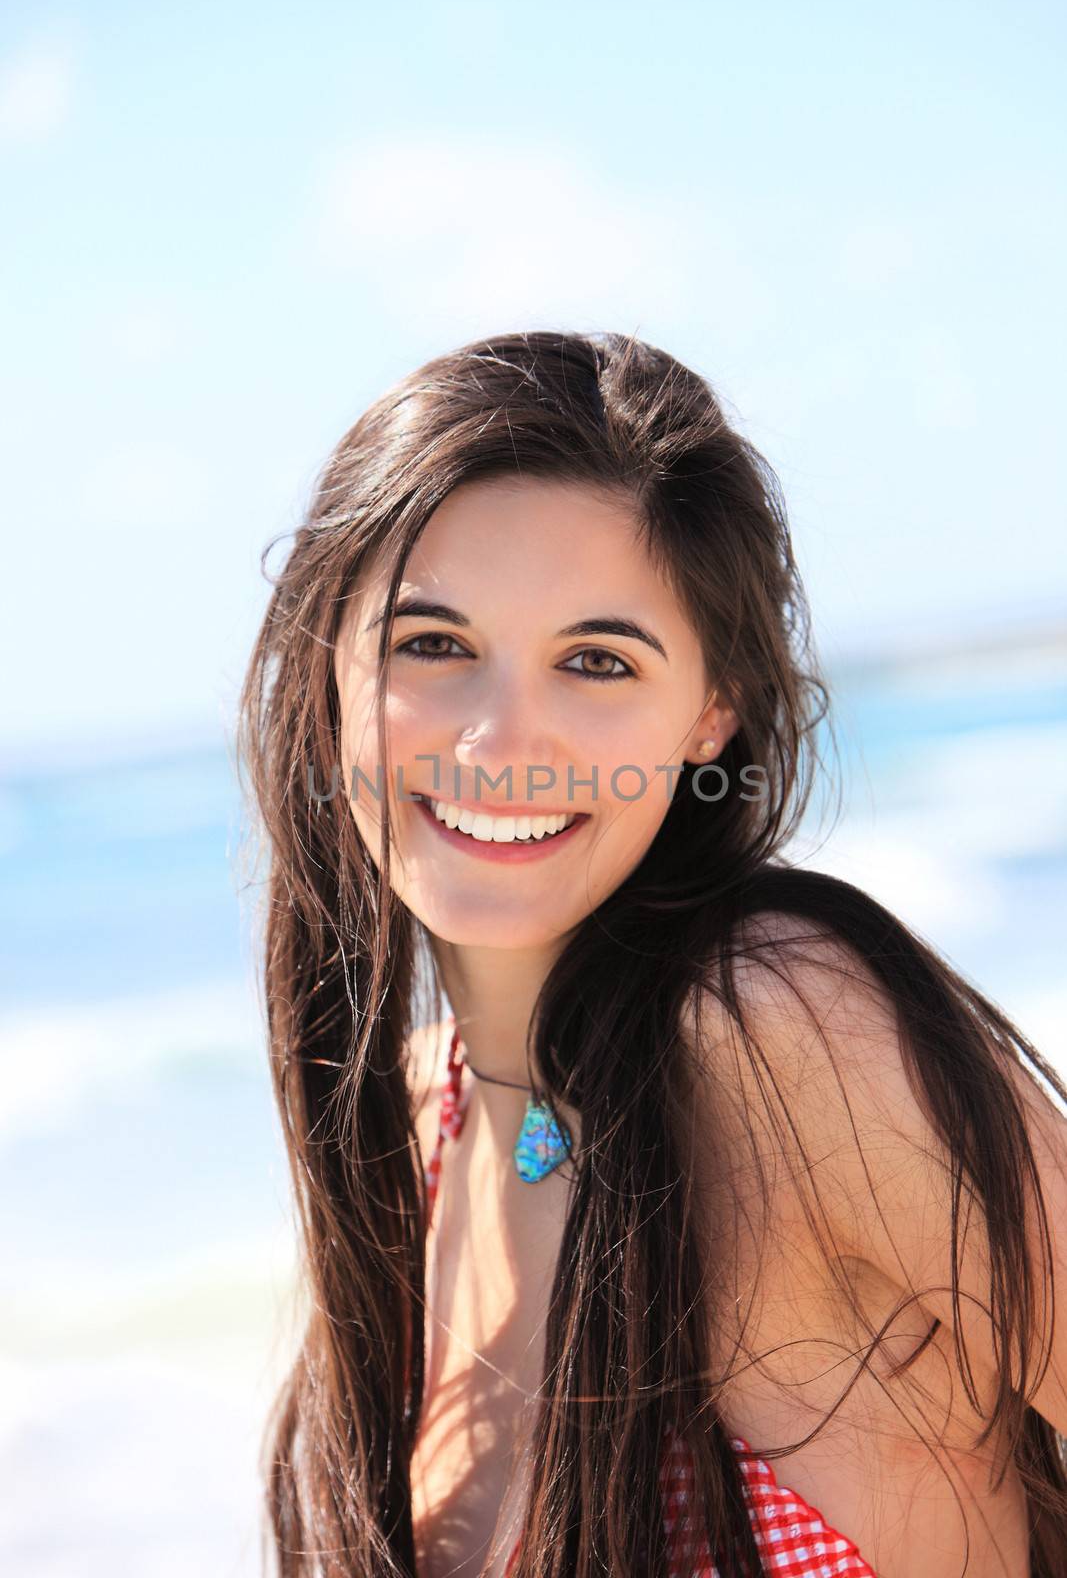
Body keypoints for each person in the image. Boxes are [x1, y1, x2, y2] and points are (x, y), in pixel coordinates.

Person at [237, 330, 1067, 1578]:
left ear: (709, 711)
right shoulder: (413, 1131)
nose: (496, 742)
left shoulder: (775, 1026)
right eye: (432, 644)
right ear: (326, 675)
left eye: (594, 662)